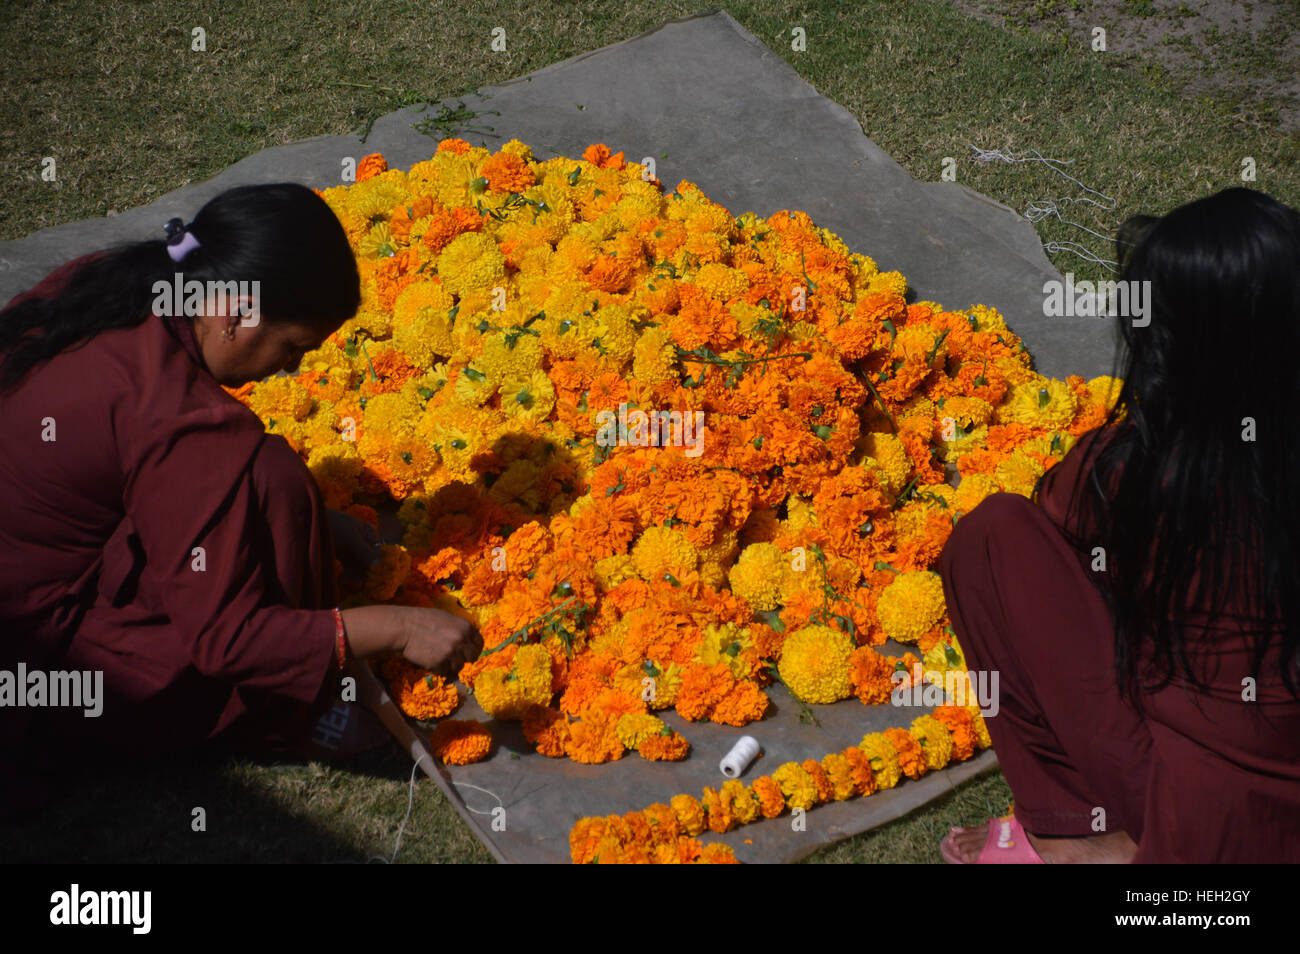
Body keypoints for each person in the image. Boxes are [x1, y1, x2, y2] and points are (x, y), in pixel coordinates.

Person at [0, 183, 482, 817]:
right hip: (35, 662)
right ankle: (280, 715)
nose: (287, 372)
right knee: (273, 483)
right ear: (236, 315)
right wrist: (400, 626)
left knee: (269, 484)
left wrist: (321, 519)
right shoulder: (185, 423)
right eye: (293, 349)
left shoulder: (116, 282)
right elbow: (227, 641)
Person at [937, 187, 1300, 863]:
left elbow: (1052, 520)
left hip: (1192, 821)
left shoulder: (1134, 470)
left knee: (994, 540)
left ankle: (1081, 833)